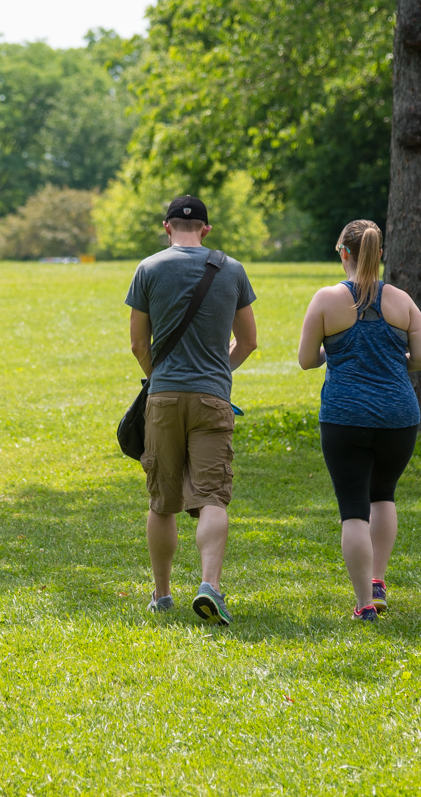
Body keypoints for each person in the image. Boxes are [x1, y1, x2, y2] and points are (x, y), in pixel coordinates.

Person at [126, 195, 259, 626]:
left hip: (163, 399)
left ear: (167, 227)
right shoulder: (232, 269)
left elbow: (137, 344)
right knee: (212, 497)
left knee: (162, 500)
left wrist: (159, 377)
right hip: (212, 399)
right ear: (206, 229)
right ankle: (209, 585)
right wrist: (220, 369)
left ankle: (162, 594)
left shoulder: (148, 268)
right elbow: (250, 341)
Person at [297, 219, 421, 622]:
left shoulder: (326, 300)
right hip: (399, 418)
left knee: (354, 508)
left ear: (344, 253)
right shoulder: (403, 301)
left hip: (344, 417)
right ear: (380, 254)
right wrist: (393, 359)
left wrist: (332, 354)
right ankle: (378, 580)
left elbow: (307, 360)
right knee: (383, 495)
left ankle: (365, 605)